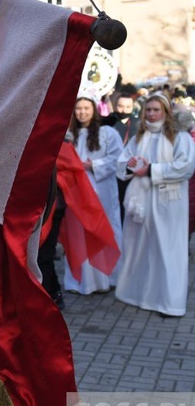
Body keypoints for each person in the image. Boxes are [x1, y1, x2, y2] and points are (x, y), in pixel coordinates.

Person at [115, 93, 195, 317]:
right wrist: (131, 165)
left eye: (156, 110)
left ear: (166, 112)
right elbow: (122, 161)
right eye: (148, 110)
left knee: (167, 250)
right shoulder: (139, 136)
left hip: (168, 202)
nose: (151, 114)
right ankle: (138, 294)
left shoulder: (179, 137)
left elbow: (186, 167)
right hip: (140, 203)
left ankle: (169, 301)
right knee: (139, 247)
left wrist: (150, 170)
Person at [63, 94, 124, 294]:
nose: (82, 112)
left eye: (86, 108)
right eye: (78, 108)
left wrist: (92, 165)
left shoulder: (108, 133)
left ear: (94, 111)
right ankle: (80, 281)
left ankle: (107, 277)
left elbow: (117, 158)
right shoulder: (68, 134)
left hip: (102, 190)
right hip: (76, 193)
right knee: (78, 232)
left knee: (103, 229)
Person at [112, 93, 140, 222]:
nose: (124, 110)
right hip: (110, 171)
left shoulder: (138, 124)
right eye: (120, 106)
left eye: (128, 107)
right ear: (115, 106)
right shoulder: (108, 122)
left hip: (129, 172)